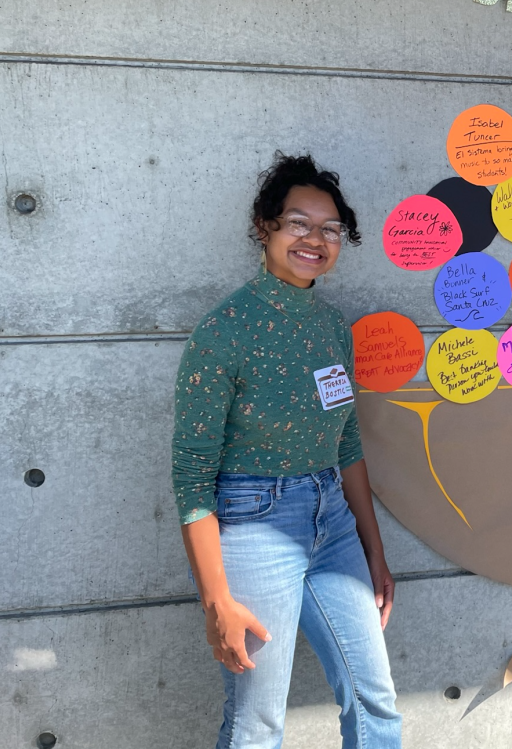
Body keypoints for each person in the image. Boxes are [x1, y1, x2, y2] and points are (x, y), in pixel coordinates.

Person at [171, 153, 402, 749]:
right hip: (252, 524)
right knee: (258, 722)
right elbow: (192, 474)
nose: (315, 240)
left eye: (330, 229)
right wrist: (216, 601)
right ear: (265, 227)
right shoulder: (224, 330)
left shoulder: (332, 327)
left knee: (375, 702)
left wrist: (375, 552)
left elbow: (345, 440)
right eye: (299, 223)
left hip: (334, 524)